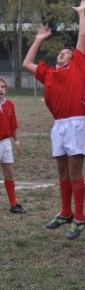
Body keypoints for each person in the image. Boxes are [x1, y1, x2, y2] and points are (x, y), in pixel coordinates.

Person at [23, 0, 85, 240]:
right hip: (59, 126)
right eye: (61, 53)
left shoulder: (78, 67)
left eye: (66, 52)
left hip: (76, 122)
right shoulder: (50, 73)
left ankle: (80, 217)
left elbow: (82, 37)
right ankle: (65, 212)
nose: (62, 54)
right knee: (62, 173)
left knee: (75, 173)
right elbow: (26, 63)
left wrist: (81, 13)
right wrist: (38, 39)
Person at [0, 77, 26, 214]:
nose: (1, 89)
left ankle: (13, 204)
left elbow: (13, 125)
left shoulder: (10, 104)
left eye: (3, 87)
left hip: (5, 144)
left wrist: (16, 142)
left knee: (9, 173)